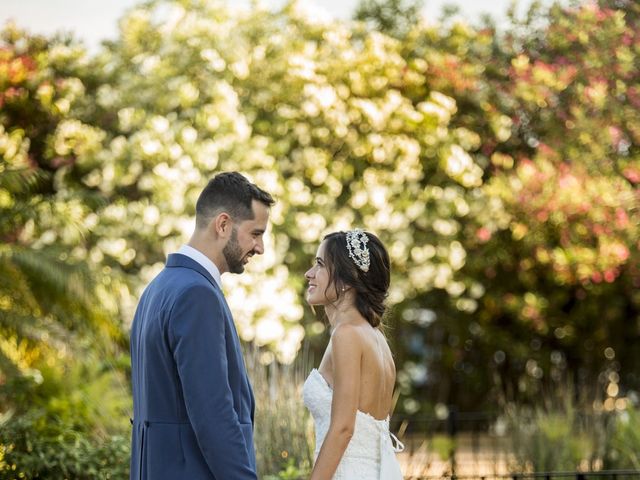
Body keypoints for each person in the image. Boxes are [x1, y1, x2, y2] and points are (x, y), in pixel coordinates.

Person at [129, 171, 274, 480]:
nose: (260, 248)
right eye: (256, 233)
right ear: (223, 224)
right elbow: (214, 417)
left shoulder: (157, 288)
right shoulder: (197, 295)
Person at [303, 229, 405, 480]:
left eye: (319, 265)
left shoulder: (347, 334)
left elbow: (343, 428)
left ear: (347, 280)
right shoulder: (375, 336)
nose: (309, 274)